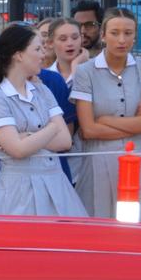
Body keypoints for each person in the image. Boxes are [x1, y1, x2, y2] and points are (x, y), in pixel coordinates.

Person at [0, 25, 85, 216]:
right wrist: (52, 127)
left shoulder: (42, 90)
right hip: (18, 194)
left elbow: (65, 140)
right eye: (37, 49)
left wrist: (30, 137)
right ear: (18, 55)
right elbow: (18, 150)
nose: (43, 54)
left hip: (57, 185)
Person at [70, 8, 141, 221]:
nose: (122, 39)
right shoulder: (86, 71)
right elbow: (89, 130)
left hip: (139, 162)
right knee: (101, 230)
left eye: (128, 33)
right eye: (115, 32)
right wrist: (135, 123)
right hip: (98, 163)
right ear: (103, 35)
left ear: (135, 36)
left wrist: (105, 120)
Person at [41, 18, 83, 182]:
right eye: (63, 39)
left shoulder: (93, 71)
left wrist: (77, 68)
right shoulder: (43, 77)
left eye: (75, 37)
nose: (70, 43)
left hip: (85, 155)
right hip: (54, 157)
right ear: (50, 43)